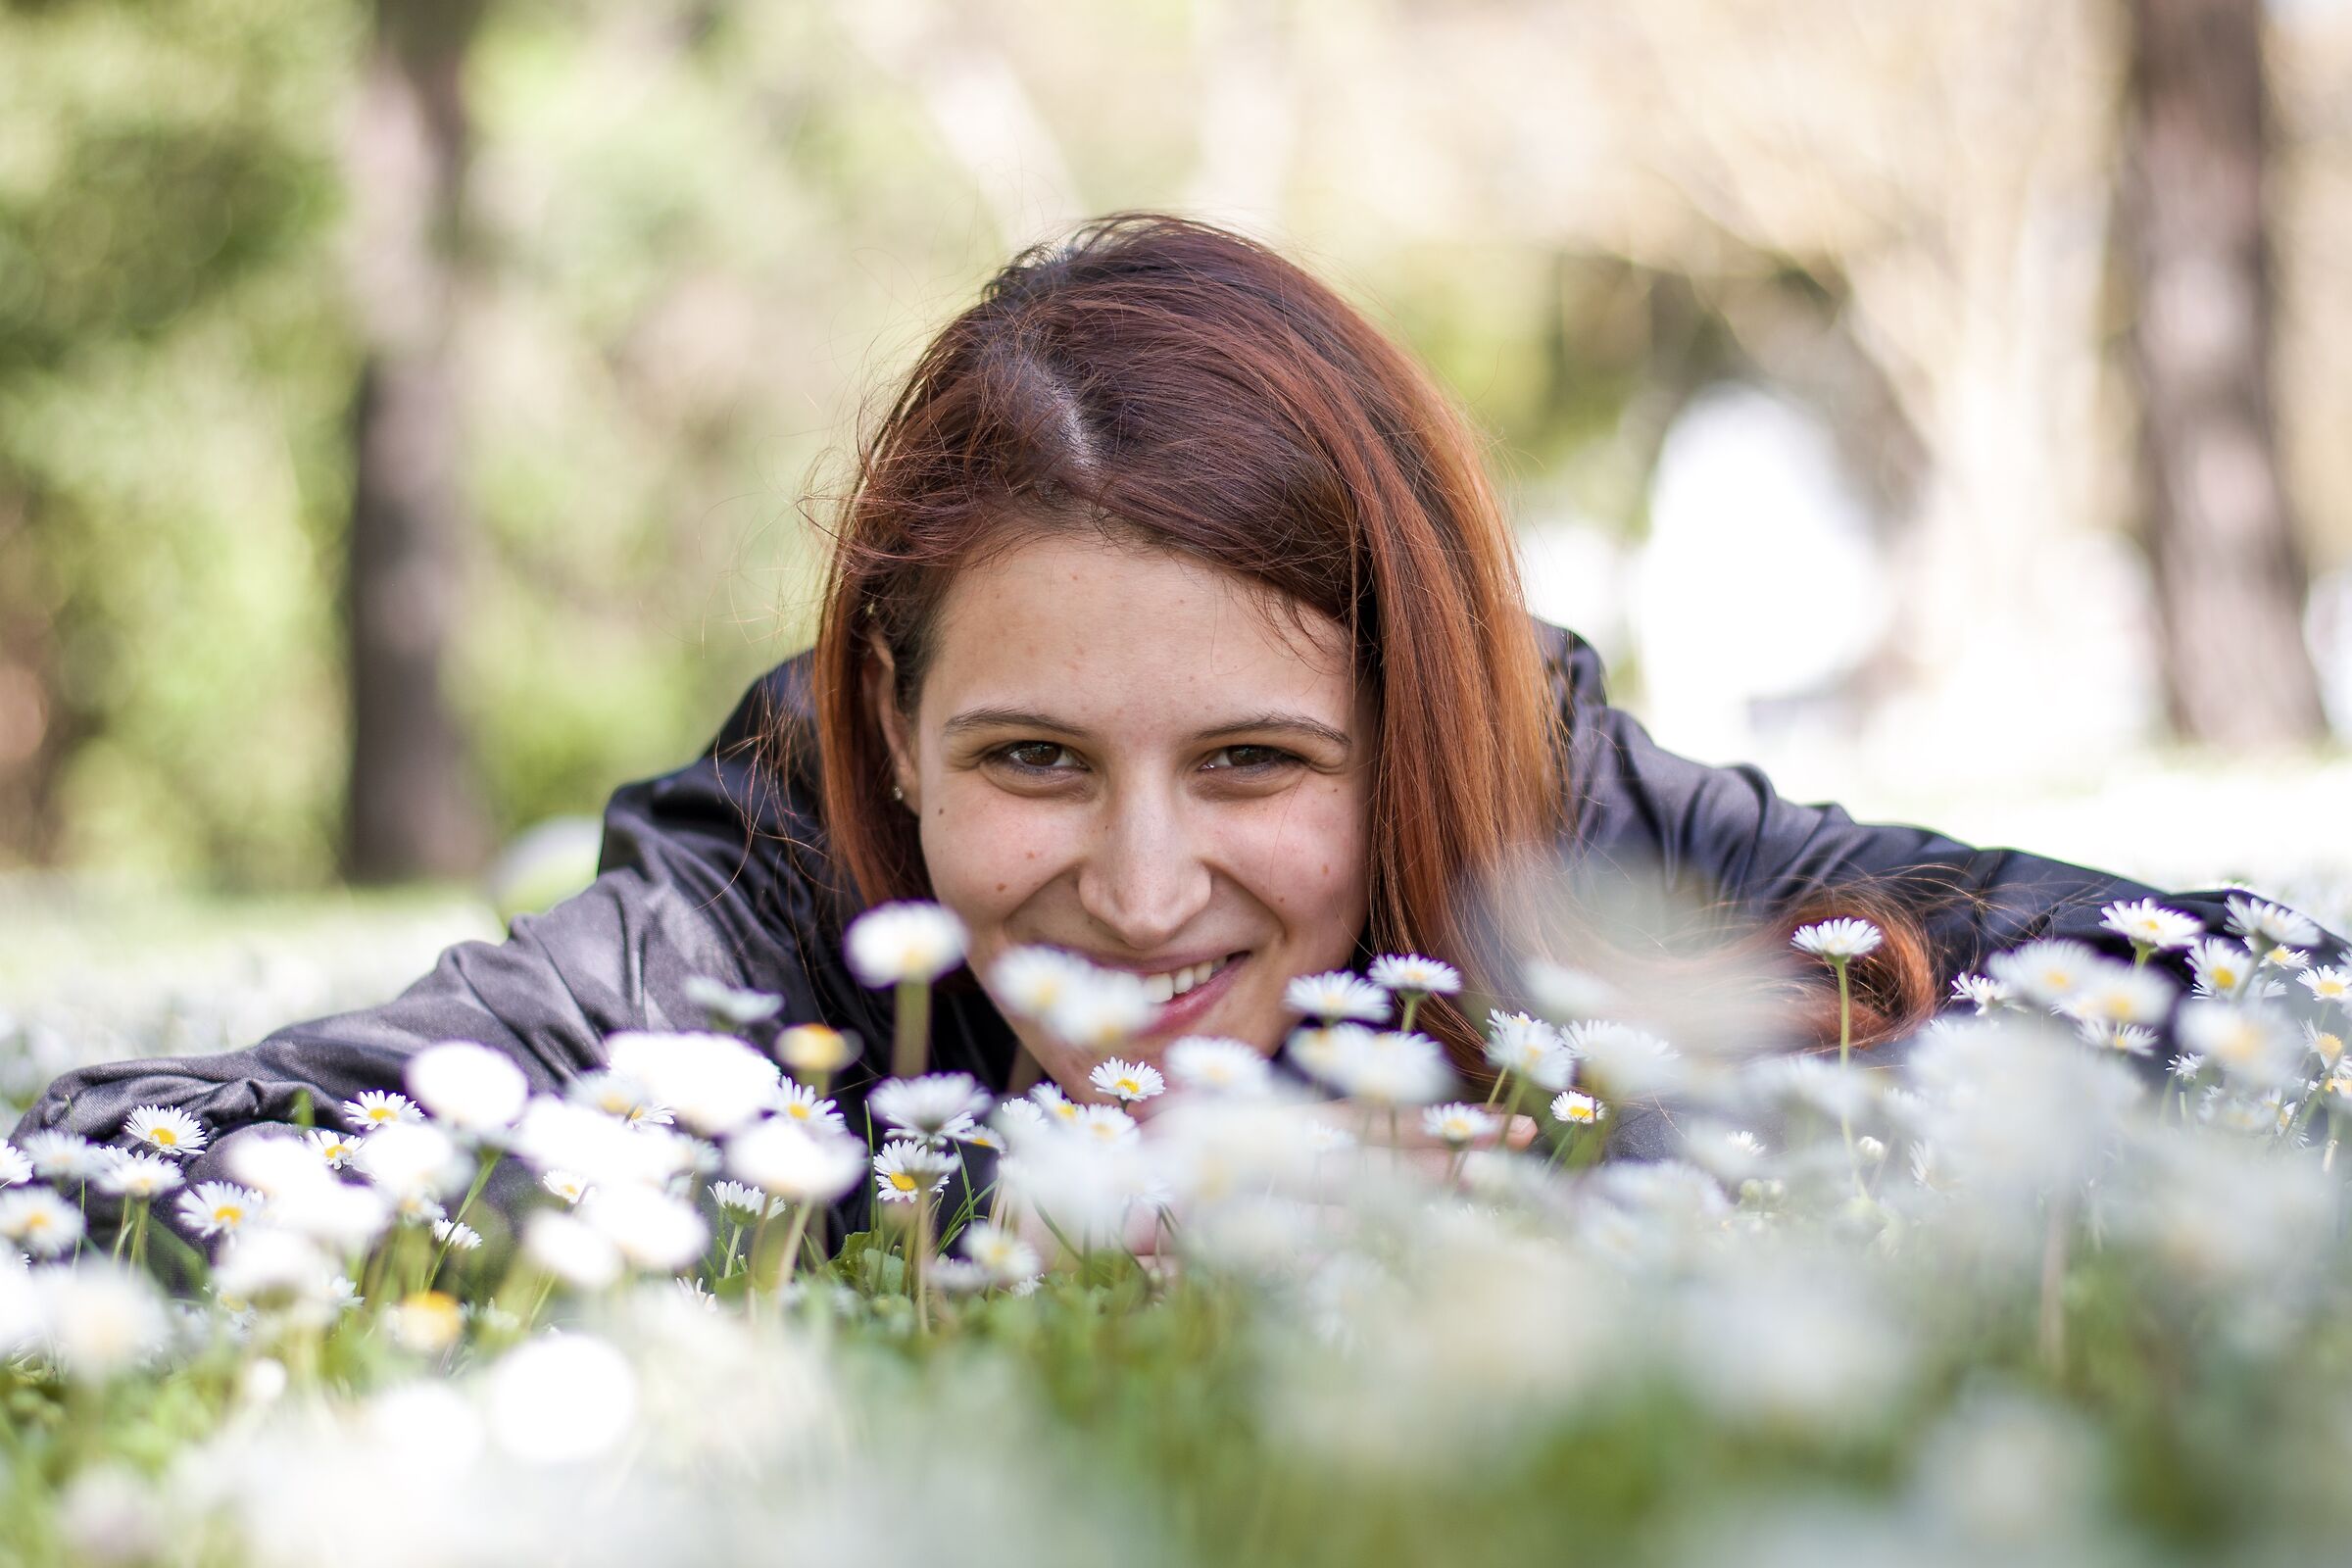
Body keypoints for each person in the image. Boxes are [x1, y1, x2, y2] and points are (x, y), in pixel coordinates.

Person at [11, 213, 2346, 1247]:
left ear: (1409, 728)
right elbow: (148, 1162)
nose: (1139, 893)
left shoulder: (1537, 812)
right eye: (1032, 760)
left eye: (1255, 763)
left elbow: (2230, 995)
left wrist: (1647, 1132)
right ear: (890, 721)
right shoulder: (758, 908)